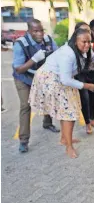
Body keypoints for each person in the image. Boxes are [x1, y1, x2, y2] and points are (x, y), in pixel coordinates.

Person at [29, 28, 94, 158]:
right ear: (75, 41)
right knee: (69, 113)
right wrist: (87, 86)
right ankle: (68, 147)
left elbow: (91, 56)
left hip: (61, 79)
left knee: (67, 110)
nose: (87, 45)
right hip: (52, 78)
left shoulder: (82, 49)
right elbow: (65, 79)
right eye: (84, 42)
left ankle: (64, 139)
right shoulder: (68, 54)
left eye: (89, 42)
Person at [12, 19, 59, 153]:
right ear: (29, 31)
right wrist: (34, 59)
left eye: (41, 30)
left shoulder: (48, 40)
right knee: (26, 106)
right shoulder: (20, 44)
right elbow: (18, 69)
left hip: (42, 76)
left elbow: (57, 54)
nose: (40, 34)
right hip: (24, 78)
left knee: (48, 98)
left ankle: (47, 122)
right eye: (35, 31)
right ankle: (23, 140)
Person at [74, 22, 94, 134]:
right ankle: (87, 123)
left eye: (88, 30)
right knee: (84, 97)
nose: (86, 33)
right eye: (83, 30)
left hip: (92, 71)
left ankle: (92, 119)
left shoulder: (92, 42)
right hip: (80, 73)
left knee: (92, 97)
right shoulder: (74, 45)